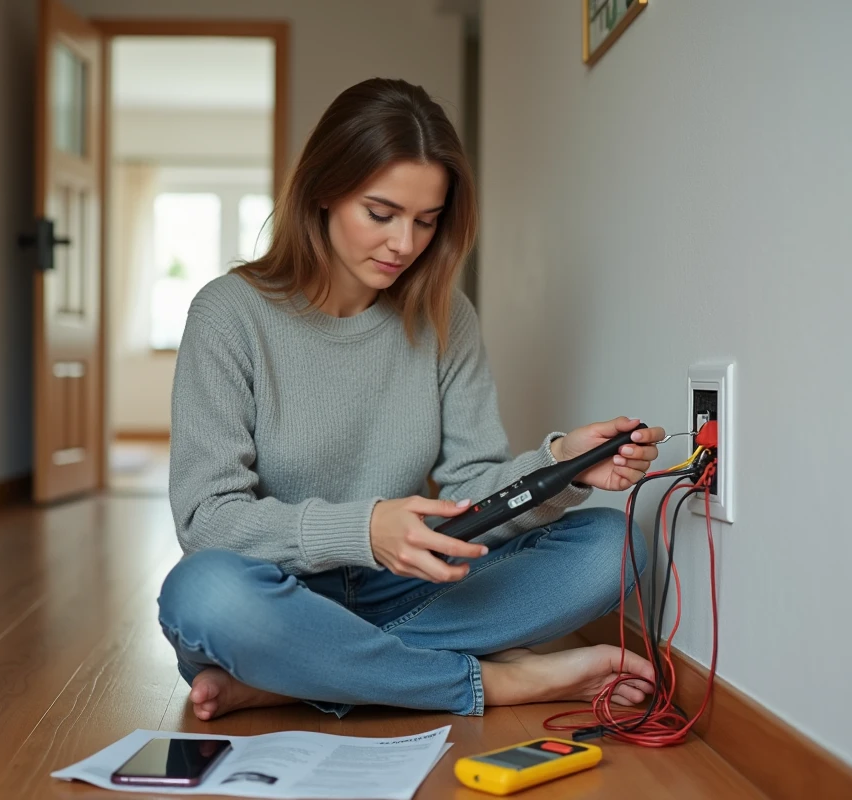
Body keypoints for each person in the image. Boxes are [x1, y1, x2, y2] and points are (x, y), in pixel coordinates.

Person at [158, 78, 666, 722]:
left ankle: (298, 678)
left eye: (427, 221)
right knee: (204, 596)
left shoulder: (444, 315)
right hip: (277, 593)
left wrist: (561, 466)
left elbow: (474, 494)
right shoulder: (228, 314)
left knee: (615, 546)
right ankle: (495, 682)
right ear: (322, 190)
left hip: (410, 589)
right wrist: (364, 530)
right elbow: (207, 520)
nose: (405, 243)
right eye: (381, 213)